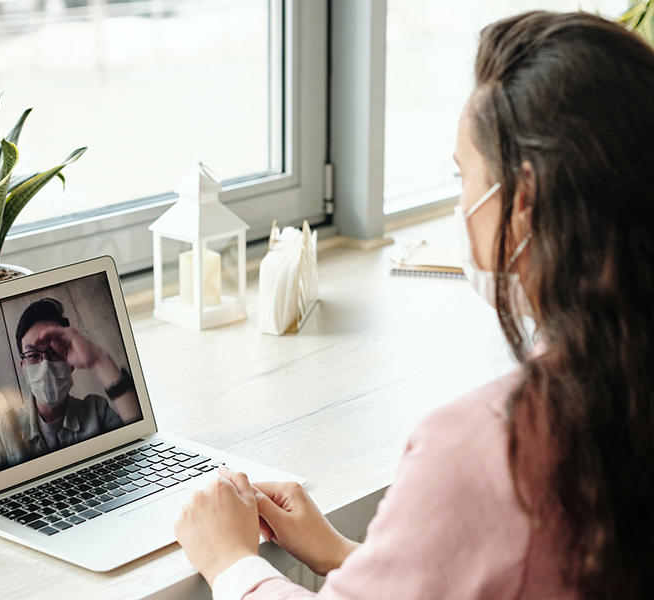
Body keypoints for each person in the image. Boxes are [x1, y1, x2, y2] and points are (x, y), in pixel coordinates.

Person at [174, 11, 654, 600]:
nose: (462, 204)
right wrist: (351, 559)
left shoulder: (488, 449)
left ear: (522, 200)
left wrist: (230, 562)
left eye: (464, 179)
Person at [0, 298, 143, 473]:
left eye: (54, 353)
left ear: (70, 361)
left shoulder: (97, 412)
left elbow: (141, 446)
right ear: (24, 368)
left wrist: (98, 360)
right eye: (33, 355)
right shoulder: (6, 430)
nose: (45, 366)